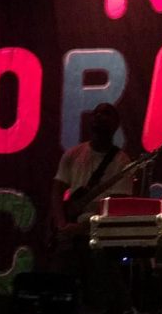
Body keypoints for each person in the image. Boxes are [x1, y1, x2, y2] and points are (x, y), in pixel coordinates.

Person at [48, 102, 134, 238]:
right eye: (96, 113)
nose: (99, 116)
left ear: (116, 124)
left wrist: (82, 228)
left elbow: (118, 207)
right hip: (70, 233)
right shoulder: (73, 154)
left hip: (103, 234)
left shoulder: (122, 162)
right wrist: (61, 225)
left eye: (106, 113)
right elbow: (57, 191)